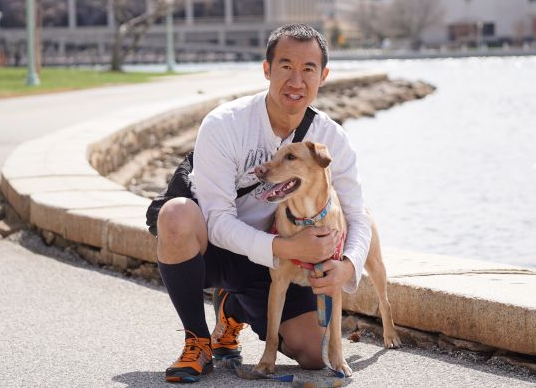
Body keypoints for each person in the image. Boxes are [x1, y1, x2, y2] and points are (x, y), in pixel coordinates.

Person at [149, 23, 372, 383]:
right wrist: (284, 245)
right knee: (175, 215)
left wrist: (347, 267)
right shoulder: (225, 124)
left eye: (308, 69)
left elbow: (358, 216)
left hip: (276, 259)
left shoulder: (332, 139)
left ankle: (232, 309)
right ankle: (198, 340)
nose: (296, 81)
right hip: (215, 248)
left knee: (315, 355)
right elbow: (218, 220)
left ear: (324, 76)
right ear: (267, 69)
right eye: (285, 66)